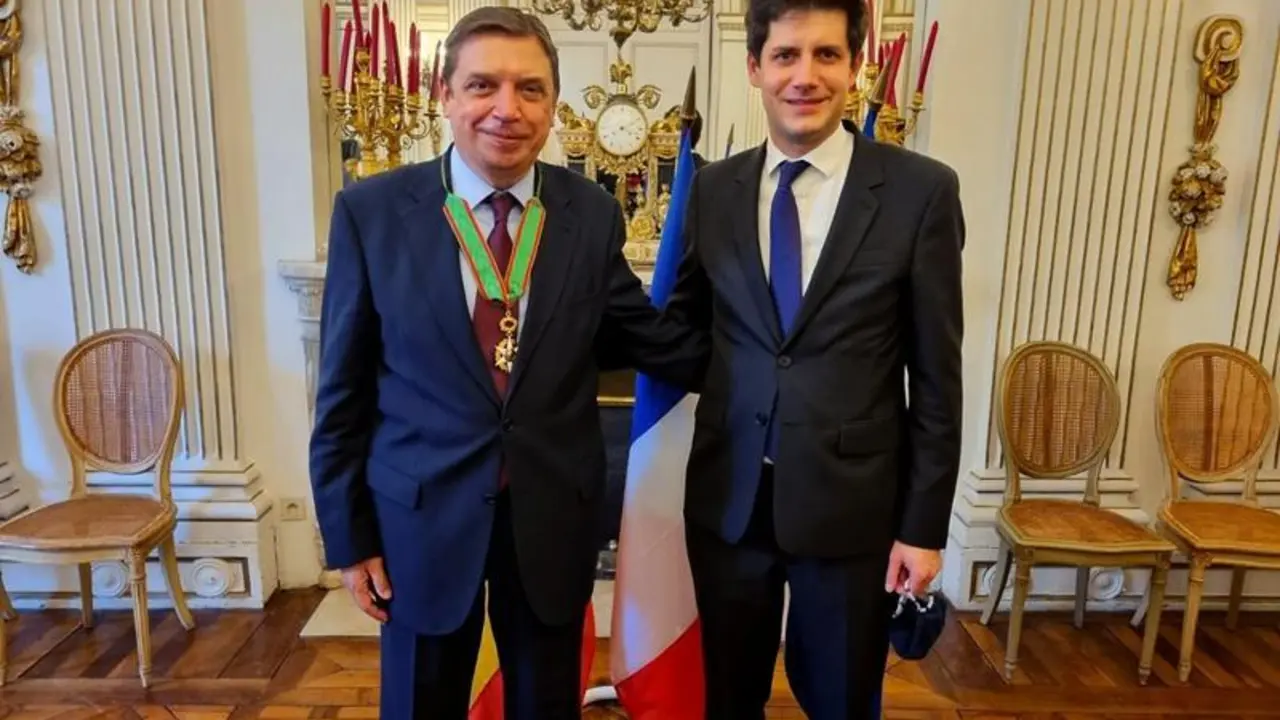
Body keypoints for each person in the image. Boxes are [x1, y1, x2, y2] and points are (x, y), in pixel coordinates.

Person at [308, 7, 706, 719]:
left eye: (530, 89)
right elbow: (342, 392)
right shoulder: (371, 213)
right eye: (483, 85)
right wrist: (347, 535)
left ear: (552, 104)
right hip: (419, 524)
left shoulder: (590, 212)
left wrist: (768, 344)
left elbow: (642, 337)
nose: (506, 109)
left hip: (551, 520)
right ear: (445, 95)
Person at [663, 0, 966, 715]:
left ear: (855, 66)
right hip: (730, 502)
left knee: (842, 700)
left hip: (854, 510)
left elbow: (937, 379)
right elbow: (683, 331)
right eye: (786, 55)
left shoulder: (922, 192)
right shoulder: (713, 189)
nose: (805, 76)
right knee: (728, 699)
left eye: (827, 54)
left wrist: (923, 530)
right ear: (754, 67)